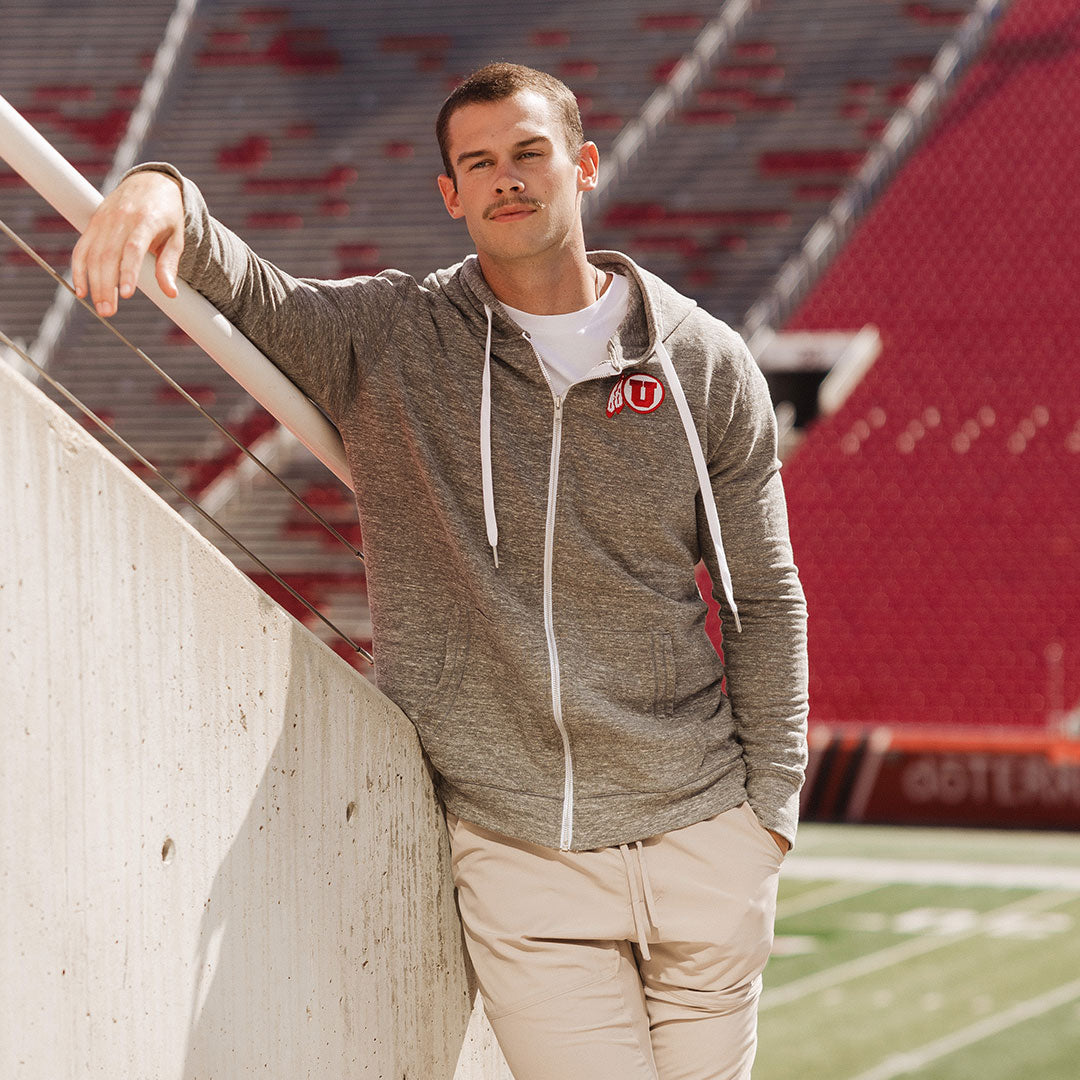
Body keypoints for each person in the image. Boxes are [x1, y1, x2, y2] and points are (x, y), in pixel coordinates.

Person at [72, 62, 808, 1080]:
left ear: (584, 166)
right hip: (526, 859)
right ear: (450, 194)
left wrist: (769, 816)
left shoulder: (702, 362)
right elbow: (252, 292)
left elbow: (762, 596)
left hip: (702, 840)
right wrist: (161, 191)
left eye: (530, 152)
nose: (507, 177)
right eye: (479, 163)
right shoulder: (394, 337)